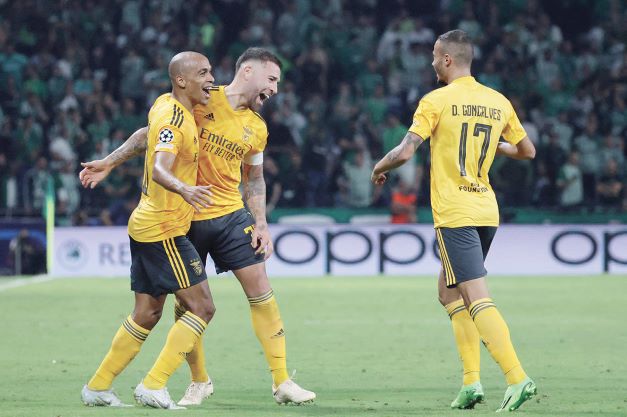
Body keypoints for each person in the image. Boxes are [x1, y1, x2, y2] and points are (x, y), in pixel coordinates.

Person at [79, 47, 315, 406]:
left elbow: (254, 178)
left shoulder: (257, 127)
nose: (275, 89)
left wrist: (261, 223)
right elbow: (151, 135)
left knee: (260, 289)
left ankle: (281, 380)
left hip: (230, 214)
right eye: (271, 79)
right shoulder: (201, 99)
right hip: (184, 218)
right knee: (189, 305)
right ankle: (198, 380)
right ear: (248, 71)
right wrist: (111, 161)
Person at [370, 30, 537, 412]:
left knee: (476, 296)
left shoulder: (436, 100)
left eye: (434, 55)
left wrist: (378, 168)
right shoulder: (497, 101)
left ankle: (516, 377)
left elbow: (405, 151)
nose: (432, 62)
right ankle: (470, 383)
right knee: (449, 294)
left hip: (455, 212)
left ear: (447, 59)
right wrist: (491, 144)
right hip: (486, 210)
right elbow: (527, 151)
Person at [80, 51, 216, 409]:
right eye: (204, 73)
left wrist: (110, 161)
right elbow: (159, 169)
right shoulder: (176, 118)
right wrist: (185, 189)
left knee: (147, 313)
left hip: (146, 225)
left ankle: (97, 386)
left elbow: (146, 136)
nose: (211, 80)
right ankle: (154, 385)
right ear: (181, 80)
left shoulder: (164, 106)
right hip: (163, 229)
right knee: (202, 307)